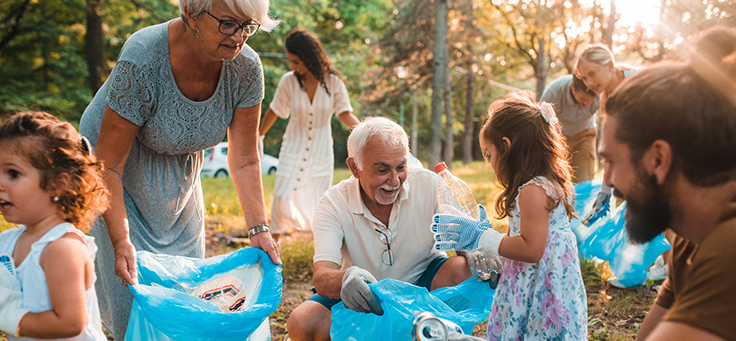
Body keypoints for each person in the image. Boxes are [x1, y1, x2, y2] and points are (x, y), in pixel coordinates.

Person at [78, 0, 281, 338]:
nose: (240, 37)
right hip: (115, 168)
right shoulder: (144, 56)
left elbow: (245, 157)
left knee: (187, 288)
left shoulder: (247, 68)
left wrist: (259, 228)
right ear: (191, 13)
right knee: (134, 292)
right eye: (229, 23)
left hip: (181, 166)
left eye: (249, 25)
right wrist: (121, 240)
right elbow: (108, 164)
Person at [285, 117, 472, 341]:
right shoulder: (333, 203)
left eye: (401, 167)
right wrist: (346, 278)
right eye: (382, 170)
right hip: (365, 297)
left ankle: (445, 334)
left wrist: (478, 253)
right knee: (302, 322)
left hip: (424, 283)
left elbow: (466, 246)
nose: (394, 181)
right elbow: (322, 276)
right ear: (355, 167)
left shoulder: (430, 185)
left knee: (463, 270)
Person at [598, 58, 736, 340]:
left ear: (658, 159)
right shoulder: (688, 241)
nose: (609, 180)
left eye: (611, 161)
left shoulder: (729, 247)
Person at [433, 92, 588, 340]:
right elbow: (522, 239)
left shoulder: (533, 191)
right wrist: (495, 255)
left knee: (536, 329)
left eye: (489, 153)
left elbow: (531, 249)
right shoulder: (546, 184)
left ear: (506, 146)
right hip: (549, 279)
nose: (490, 162)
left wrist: (482, 237)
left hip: (539, 285)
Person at [0, 112, 109, 340]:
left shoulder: (62, 248)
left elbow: (69, 323)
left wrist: (8, 317)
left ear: (58, 184)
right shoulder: (8, 241)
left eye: (13, 173)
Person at [258, 28, 360, 241]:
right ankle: (272, 251)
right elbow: (274, 110)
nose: (292, 66)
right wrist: (259, 136)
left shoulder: (333, 83)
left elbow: (345, 115)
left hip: (321, 153)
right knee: (281, 197)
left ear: (309, 57)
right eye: (291, 61)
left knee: (320, 202)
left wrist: (366, 132)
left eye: (296, 61)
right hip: (292, 148)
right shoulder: (289, 81)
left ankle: (323, 253)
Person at [540, 74, 600, 183]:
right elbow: (541, 125)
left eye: (590, 100)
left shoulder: (600, 92)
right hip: (557, 138)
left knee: (584, 178)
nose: (587, 104)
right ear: (573, 87)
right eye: (583, 99)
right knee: (554, 180)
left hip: (584, 134)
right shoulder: (554, 92)